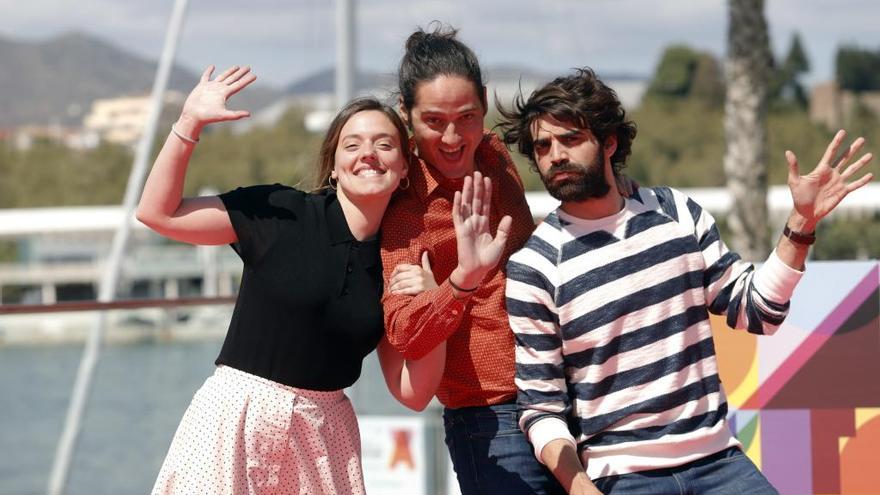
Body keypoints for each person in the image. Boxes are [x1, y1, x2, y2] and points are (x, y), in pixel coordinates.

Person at [497, 67, 874, 494]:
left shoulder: (677, 212)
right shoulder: (535, 265)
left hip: (718, 462)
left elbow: (758, 311)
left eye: (570, 139)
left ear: (609, 142)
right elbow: (541, 406)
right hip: (623, 478)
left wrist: (800, 224)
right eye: (543, 146)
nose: (555, 155)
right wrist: (579, 485)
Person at [137, 65, 449, 494]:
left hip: (324, 440)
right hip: (233, 420)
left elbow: (413, 393)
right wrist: (189, 123)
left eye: (385, 144)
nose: (368, 154)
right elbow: (158, 213)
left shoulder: (399, 263)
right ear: (335, 166)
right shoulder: (282, 212)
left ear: (404, 171)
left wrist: (439, 306)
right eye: (352, 144)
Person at [380, 24, 569, 494]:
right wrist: (456, 286)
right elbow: (404, 331)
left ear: (484, 103)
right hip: (490, 418)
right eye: (433, 120)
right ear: (406, 114)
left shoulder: (494, 152)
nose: (452, 137)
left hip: (567, 389)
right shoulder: (403, 208)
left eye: (466, 117)